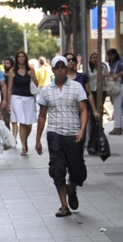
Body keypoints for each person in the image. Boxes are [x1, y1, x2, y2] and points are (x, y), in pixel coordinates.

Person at [34, 55, 89, 217]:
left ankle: (71, 190)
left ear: (66, 69)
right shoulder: (46, 91)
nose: (60, 70)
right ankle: (64, 205)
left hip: (73, 134)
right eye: (57, 67)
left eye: (62, 67)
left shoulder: (77, 87)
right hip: (55, 133)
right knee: (57, 170)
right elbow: (42, 115)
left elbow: (83, 110)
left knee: (78, 171)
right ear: (52, 70)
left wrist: (82, 130)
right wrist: (38, 139)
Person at [9, 50, 38, 152]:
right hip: (17, 97)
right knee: (22, 121)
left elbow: (36, 84)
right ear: (16, 59)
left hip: (29, 97)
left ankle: (24, 140)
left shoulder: (31, 70)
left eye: (23, 56)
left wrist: (33, 77)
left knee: (29, 124)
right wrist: (8, 102)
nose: (21, 58)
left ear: (25, 58)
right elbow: (9, 88)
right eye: (19, 57)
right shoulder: (13, 71)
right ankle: (24, 147)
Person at [105, 48, 123, 134]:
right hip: (117, 85)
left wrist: (118, 75)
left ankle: (117, 127)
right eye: (108, 55)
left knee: (117, 107)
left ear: (115, 55)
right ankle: (119, 126)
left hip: (120, 85)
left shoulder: (119, 63)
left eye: (111, 55)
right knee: (117, 106)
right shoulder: (112, 64)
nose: (110, 57)